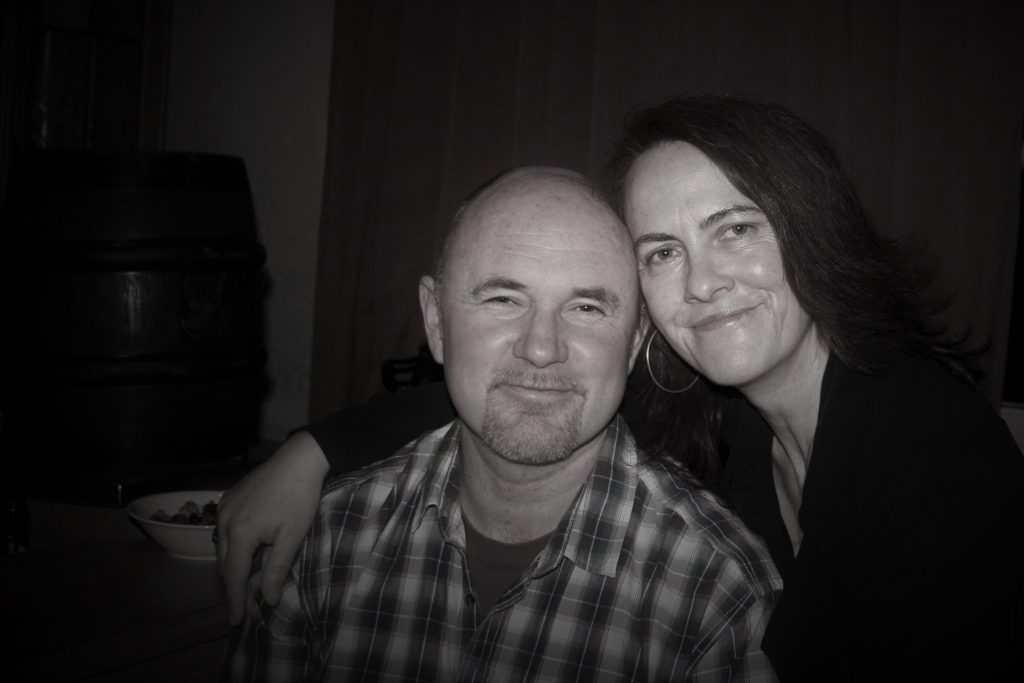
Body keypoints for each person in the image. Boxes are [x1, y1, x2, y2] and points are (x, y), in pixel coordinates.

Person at [218, 96, 1024, 680]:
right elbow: (529, 388)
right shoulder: (727, 418)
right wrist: (314, 447)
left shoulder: (934, 458)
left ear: (812, 225)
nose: (701, 282)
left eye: (735, 228)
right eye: (663, 251)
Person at [221, 167, 782, 681]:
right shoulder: (321, 541)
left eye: (586, 308)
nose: (541, 348)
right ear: (436, 321)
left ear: (634, 343)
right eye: (502, 299)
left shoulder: (715, 591)